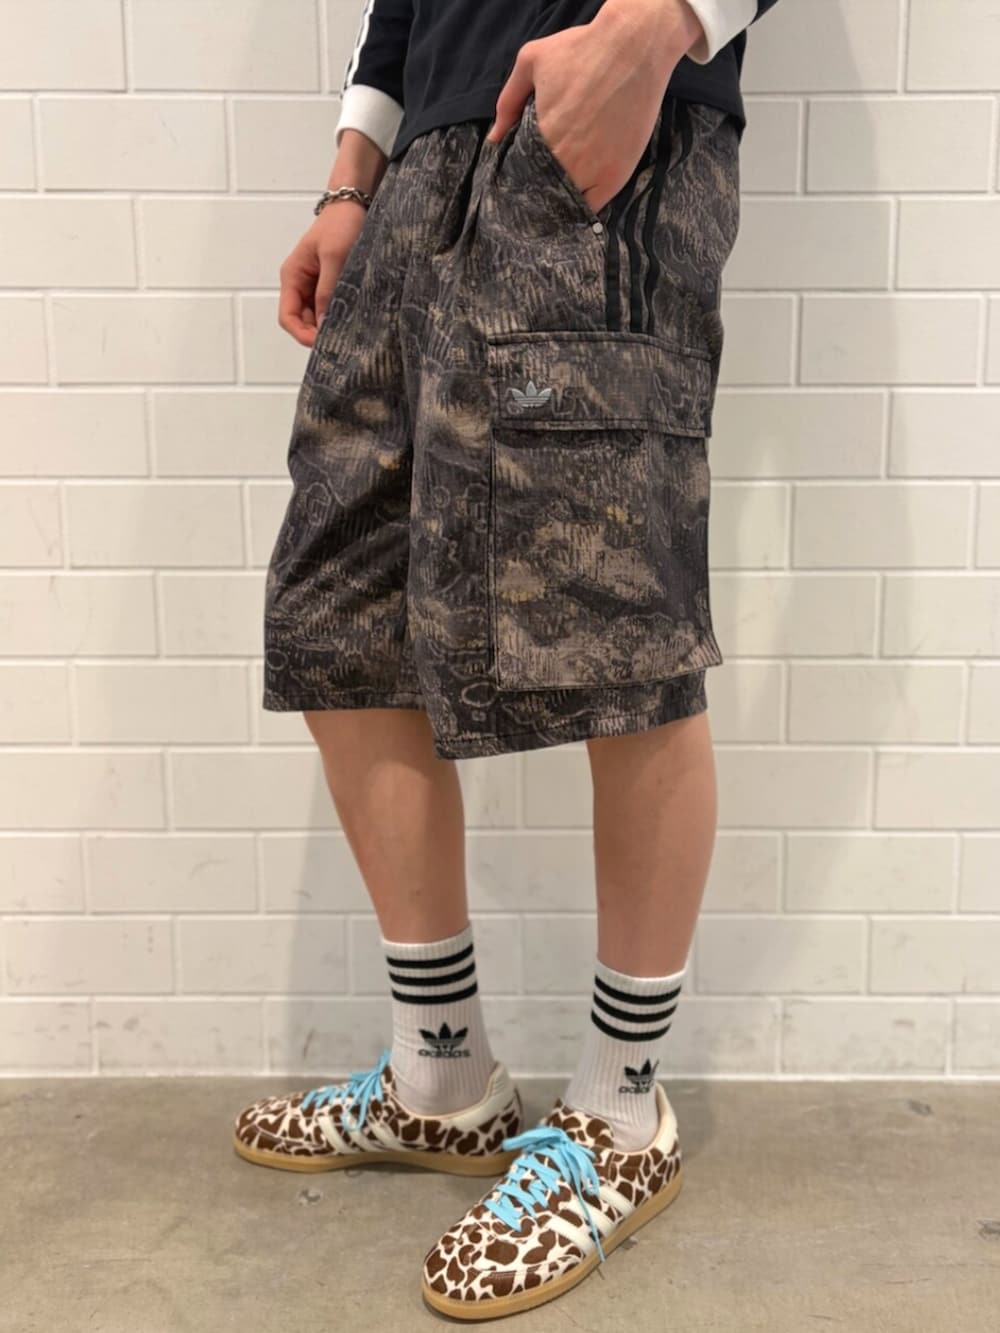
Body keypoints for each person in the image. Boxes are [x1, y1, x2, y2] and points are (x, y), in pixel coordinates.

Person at [233, 0, 781, 1318]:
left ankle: (622, 1114)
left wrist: (656, 31)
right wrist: (353, 175)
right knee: (341, 617)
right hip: (415, 173)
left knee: (619, 626)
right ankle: (443, 1079)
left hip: (596, 124)